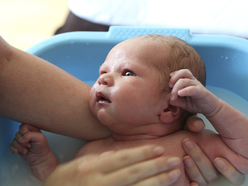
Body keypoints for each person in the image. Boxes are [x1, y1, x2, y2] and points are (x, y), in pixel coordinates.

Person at [10, 35, 248, 185]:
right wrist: (42, 162)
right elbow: (64, 182)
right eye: (102, 72)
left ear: (169, 107)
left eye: (127, 73)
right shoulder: (91, 152)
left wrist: (214, 109)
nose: (103, 79)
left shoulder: (192, 142)